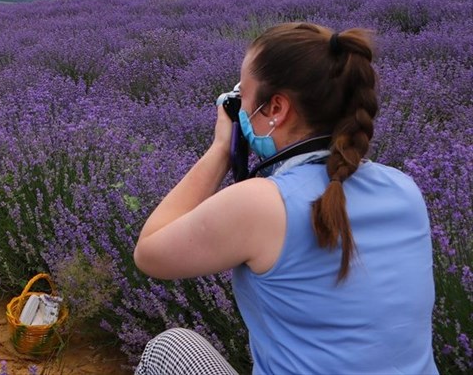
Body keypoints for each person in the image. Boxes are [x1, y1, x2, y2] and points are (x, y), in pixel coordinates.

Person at [132, 22, 437, 375]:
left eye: (241, 96)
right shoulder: (404, 188)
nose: (236, 107)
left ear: (275, 109)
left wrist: (220, 149)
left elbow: (149, 253)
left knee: (170, 348)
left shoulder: (262, 203)